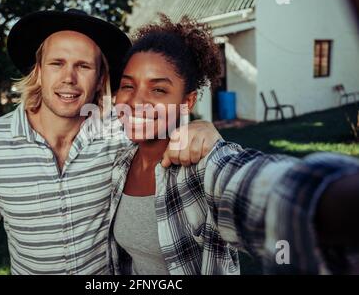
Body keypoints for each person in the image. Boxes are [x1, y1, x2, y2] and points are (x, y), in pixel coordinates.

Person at [0, 9, 223, 275]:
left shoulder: (121, 133)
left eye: (83, 66)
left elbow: (165, 123)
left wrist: (202, 128)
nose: (68, 78)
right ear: (39, 71)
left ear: (100, 79)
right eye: (56, 63)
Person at [107, 14, 359, 275]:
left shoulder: (200, 166)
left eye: (158, 89)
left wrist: (331, 196)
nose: (135, 101)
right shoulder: (120, 165)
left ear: (188, 102)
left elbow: (260, 188)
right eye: (128, 85)